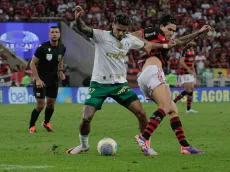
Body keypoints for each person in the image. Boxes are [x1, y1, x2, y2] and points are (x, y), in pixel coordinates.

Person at [66, 6, 173, 155]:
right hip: (99, 85)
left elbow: (148, 45)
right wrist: (78, 19)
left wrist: (166, 45)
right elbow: (84, 28)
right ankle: (83, 145)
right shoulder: (101, 35)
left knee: (141, 114)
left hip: (119, 86)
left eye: (124, 30)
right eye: (119, 29)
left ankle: (146, 146)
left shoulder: (129, 39)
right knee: (86, 118)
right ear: (113, 25)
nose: (121, 33)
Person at [132, 14, 211, 155]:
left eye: (173, 31)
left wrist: (199, 32)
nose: (171, 32)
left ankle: (185, 146)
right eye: (169, 29)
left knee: (173, 109)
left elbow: (179, 41)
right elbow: (132, 35)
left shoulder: (165, 40)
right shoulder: (155, 32)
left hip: (146, 76)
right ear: (161, 26)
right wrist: (148, 44)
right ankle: (144, 137)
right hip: (153, 71)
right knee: (166, 106)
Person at [28, 26, 66, 133]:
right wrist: (37, 79)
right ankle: (31, 126)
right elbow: (32, 64)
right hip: (41, 78)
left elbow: (61, 58)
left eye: (56, 32)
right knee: (40, 105)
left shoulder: (62, 48)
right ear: (49, 34)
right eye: (52, 32)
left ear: (59, 34)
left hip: (53, 79)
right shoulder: (42, 48)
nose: (54, 34)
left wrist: (61, 70)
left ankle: (46, 122)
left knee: (51, 103)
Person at [174, 41, 198, 113]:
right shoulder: (184, 51)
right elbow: (181, 62)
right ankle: (173, 102)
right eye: (191, 41)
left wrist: (194, 71)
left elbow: (192, 62)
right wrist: (188, 69)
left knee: (191, 90)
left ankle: (188, 109)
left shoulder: (192, 51)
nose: (193, 43)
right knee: (188, 90)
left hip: (190, 72)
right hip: (185, 72)